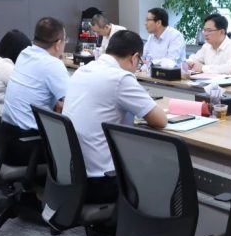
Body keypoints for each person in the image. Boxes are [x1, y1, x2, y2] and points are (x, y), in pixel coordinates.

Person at [64, 30, 167, 203]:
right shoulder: (120, 78)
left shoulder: (84, 69)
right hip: (101, 181)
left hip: (74, 173)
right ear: (134, 57)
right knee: (158, 168)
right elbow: (160, 120)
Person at [2, 17, 70, 166]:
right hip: (30, 145)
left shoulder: (25, 53)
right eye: (65, 40)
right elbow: (73, 105)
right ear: (58, 43)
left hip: (7, 140)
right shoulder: (53, 64)